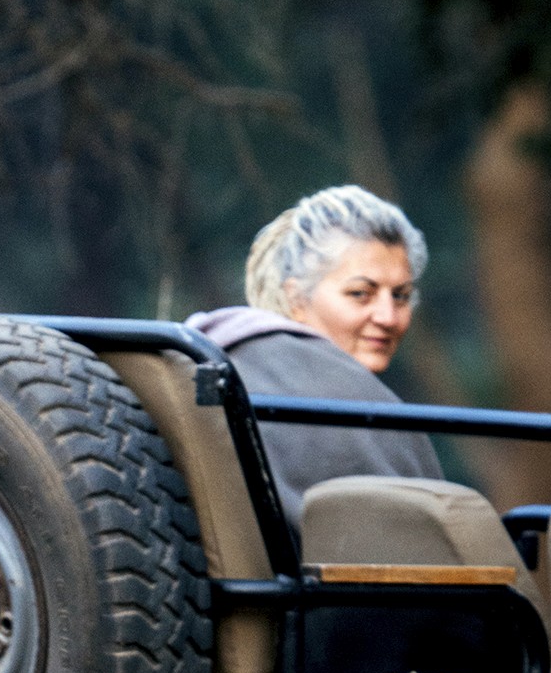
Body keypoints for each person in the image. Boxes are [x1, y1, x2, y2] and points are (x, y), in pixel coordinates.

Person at [188, 184, 442, 534]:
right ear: (296, 298)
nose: (388, 316)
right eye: (360, 294)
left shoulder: (210, 362)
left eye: (401, 296)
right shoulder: (313, 397)